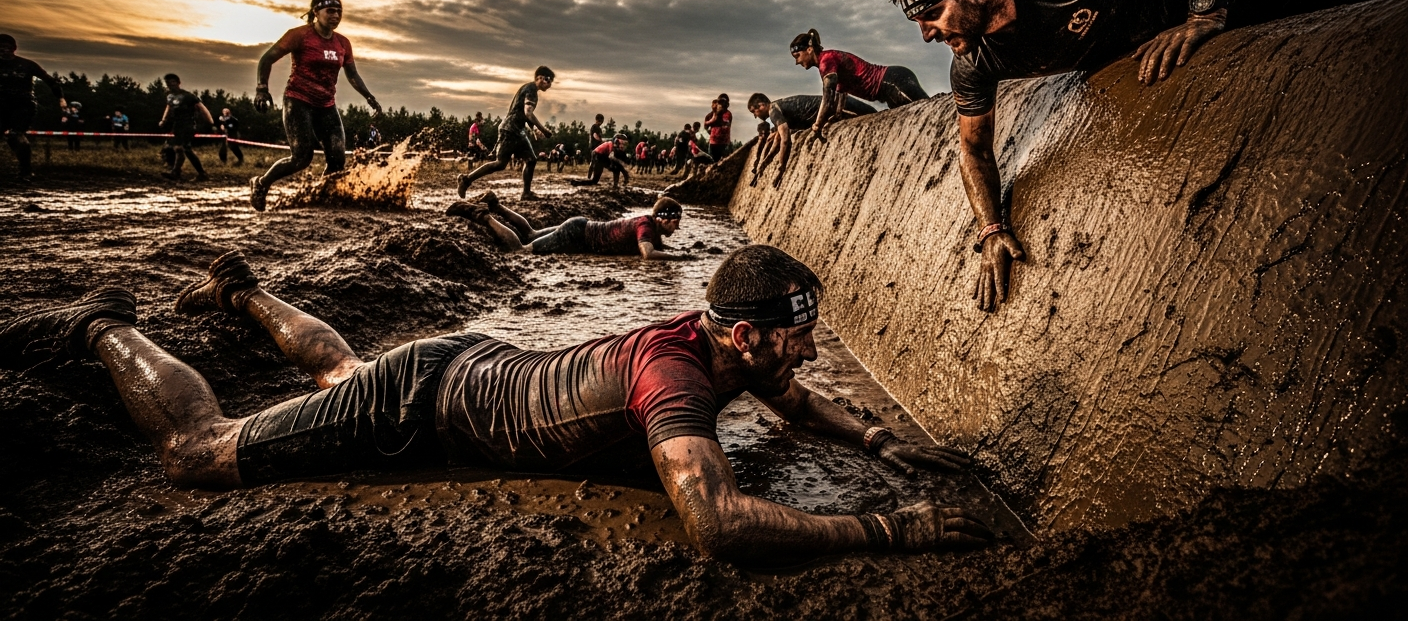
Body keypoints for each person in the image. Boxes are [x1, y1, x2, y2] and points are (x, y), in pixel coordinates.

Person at [0, 246, 990, 562]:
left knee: (338, 377)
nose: (806, 351)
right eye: (792, 334)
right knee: (197, 452)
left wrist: (875, 437)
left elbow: (793, 396)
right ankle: (103, 327)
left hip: (470, 365)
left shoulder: (729, 351)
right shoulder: (675, 379)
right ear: (740, 334)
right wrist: (890, 527)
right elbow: (715, 521)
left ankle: (241, 290)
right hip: (426, 397)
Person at [891, 0, 1408, 313]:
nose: (927, 36)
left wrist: (1204, 14)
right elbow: (975, 149)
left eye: (931, 18)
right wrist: (990, 228)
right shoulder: (975, 63)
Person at [249, 0, 383, 212]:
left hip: (326, 105)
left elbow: (352, 74)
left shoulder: (343, 43)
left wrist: (369, 97)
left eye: (339, 11)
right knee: (302, 158)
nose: (336, 15)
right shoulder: (300, 35)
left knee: (338, 158)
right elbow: (267, 58)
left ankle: (322, 198)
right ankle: (261, 184)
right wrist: (262, 89)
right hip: (298, 100)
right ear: (315, 12)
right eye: (330, 11)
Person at [454, 193, 695, 262]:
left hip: (580, 226)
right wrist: (680, 258)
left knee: (531, 234)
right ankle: (484, 216)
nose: (678, 226)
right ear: (663, 218)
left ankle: (496, 205)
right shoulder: (645, 226)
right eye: (676, 221)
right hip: (577, 234)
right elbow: (648, 254)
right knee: (521, 249)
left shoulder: (649, 225)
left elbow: (656, 248)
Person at [788, 29, 928, 144]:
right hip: (888, 89)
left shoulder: (826, 60)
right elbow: (840, 94)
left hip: (893, 81)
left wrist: (817, 125)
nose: (797, 62)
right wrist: (837, 115)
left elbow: (827, 97)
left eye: (797, 56)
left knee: (926, 114)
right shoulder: (826, 64)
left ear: (810, 50)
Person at [456, 67, 554, 201]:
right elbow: (528, 113)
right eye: (549, 81)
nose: (550, 85)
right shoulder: (531, 90)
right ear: (541, 78)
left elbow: (524, 114)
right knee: (500, 163)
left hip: (518, 131)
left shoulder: (528, 88)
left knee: (531, 160)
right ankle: (466, 180)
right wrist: (543, 130)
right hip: (510, 130)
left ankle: (526, 193)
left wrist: (534, 130)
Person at [746, 93, 875, 188]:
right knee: (871, 113)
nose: (755, 116)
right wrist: (763, 164)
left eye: (754, 111)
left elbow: (786, 140)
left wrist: (781, 168)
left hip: (837, 105)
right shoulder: (777, 109)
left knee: (871, 114)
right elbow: (778, 141)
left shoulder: (773, 111)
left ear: (762, 105)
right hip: (835, 105)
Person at [0, 34, 66, 182]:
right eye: (0, 48)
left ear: (13, 49)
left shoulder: (27, 65)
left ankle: (26, 172)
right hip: (2, 104)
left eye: (6, 48)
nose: (2, 51)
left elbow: (50, 81)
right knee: (10, 137)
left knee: (16, 135)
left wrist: (61, 98)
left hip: (23, 104)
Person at [157, 74, 214, 182]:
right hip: (177, 125)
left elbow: (201, 107)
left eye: (173, 82)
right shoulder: (170, 96)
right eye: (168, 83)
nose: (170, 84)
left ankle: (176, 172)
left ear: (178, 82)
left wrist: (210, 121)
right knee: (185, 150)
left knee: (180, 148)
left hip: (188, 125)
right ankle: (201, 173)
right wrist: (163, 120)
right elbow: (168, 107)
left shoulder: (188, 96)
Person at [705, 93, 733, 161]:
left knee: (723, 162)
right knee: (712, 161)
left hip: (724, 143)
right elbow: (706, 125)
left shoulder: (728, 114)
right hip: (713, 142)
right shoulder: (711, 115)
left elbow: (727, 125)